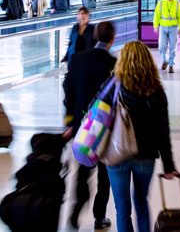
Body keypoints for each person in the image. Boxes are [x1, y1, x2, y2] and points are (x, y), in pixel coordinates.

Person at [106, 41, 179, 232]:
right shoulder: (157, 92)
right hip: (145, 156)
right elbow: (163, 132)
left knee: (122, 209)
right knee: (141, 201)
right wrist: (169, 166)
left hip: (117, 153)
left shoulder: (113, 86)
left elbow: (97, 115)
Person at [63, 21, 117, 230]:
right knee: (105, 174)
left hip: (82, 125)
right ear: (112, 39)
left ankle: (75, 212)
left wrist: (69, 121)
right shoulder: (114, 64)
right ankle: (99, 216)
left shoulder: (77, 60)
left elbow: (68, 91)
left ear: (95, 36)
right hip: (105, 128)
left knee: (83, 171)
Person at [153, 0, 180, 73]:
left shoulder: (177, 4)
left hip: (174, 28)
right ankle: (164, 61)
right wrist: (156, 26)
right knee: (162, 46)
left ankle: (171, 65)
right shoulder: (161, 3)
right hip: (163, 27)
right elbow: (156, 15)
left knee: (172, 47)